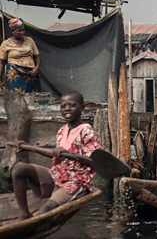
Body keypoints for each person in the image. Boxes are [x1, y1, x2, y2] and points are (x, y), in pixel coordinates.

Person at [11, 91, 101, 220]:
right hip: (57, 175)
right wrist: (27, 145)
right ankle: (24, 213)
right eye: (63, 106)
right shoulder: (61, 131)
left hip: (76, 181)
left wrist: (68, 153)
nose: (67, 109)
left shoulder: (87, 131)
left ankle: (33, 219)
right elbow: (54, 152)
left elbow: (92, 160)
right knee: (19, 168)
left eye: (72, 105)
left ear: (82, 107)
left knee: (45, 209)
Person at [0, 18, 41, 92]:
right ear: (12, 31)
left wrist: (36, 67)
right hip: (15, 75)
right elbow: (2, 62)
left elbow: (37, 56)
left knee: (32, 97)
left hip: (31, 73)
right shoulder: (5, 44)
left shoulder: (30, 40)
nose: (22, 32)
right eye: (19, 31)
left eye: (23, 30)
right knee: (16, 98)